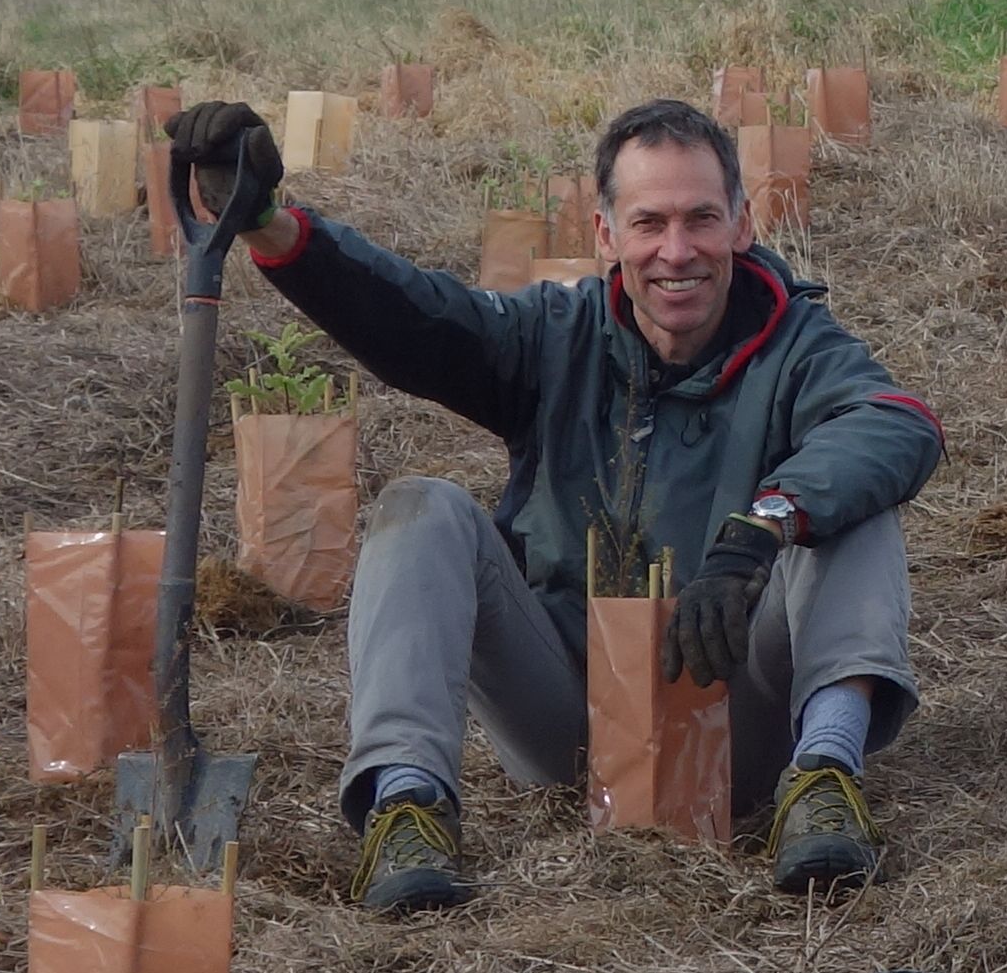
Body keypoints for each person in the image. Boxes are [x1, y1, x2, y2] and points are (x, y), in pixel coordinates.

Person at [166, 96, 940, 913]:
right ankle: (406, 806)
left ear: (742, 225)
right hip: (567, 721)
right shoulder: (553, 336)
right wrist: (269, 226)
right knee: (420, 508)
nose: (676, 252)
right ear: (606, 237)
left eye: (700, 219)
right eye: (648, 223)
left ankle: (823, 779)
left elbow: (897, 424)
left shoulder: (800, 346)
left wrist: (760, 529)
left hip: (740, 724)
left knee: (850, 501)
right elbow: (416, 319)